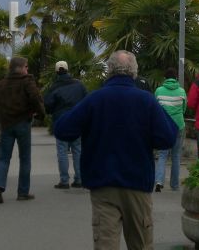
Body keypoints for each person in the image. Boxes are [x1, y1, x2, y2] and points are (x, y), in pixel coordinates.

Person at [55, 50, 178, 250]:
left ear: (109, 70)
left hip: (103, 185)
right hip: (137, 184)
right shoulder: (146, 100)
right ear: (134, 71)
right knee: (141, 245)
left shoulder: (95, 99)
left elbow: (63, 129)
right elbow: (168, 138)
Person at [0, 56, 45, 204]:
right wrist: (41, 114)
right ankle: (22, 192)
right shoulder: (27, 81)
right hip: (23, 123)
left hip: (6, 125)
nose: (27, 69)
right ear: (20, 68)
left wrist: (0, 117)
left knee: (3, 158)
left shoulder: (0, 84)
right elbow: (36, 98)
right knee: (25, 158)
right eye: (26, 67)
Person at [44, 60, 88, 189]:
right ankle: (79, 179)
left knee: (62, 151)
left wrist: (52, 112)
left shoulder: (54, 87)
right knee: (77, 150)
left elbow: (48, 105)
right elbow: (87, 100)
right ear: (68, 70)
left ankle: (64, 181)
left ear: (56, 72)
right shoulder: (79, 85)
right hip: (77, 120)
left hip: (61, 121)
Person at [154, 67, 187, 192]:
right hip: (178, 125)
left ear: (165, 78)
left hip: (163, 125)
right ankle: (174, 184)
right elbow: (184, 109)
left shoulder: (159, 91)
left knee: (162, 154)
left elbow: (155, 108)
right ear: (176, 78)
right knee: (176, 155)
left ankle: (159, 181)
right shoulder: (182, 91)